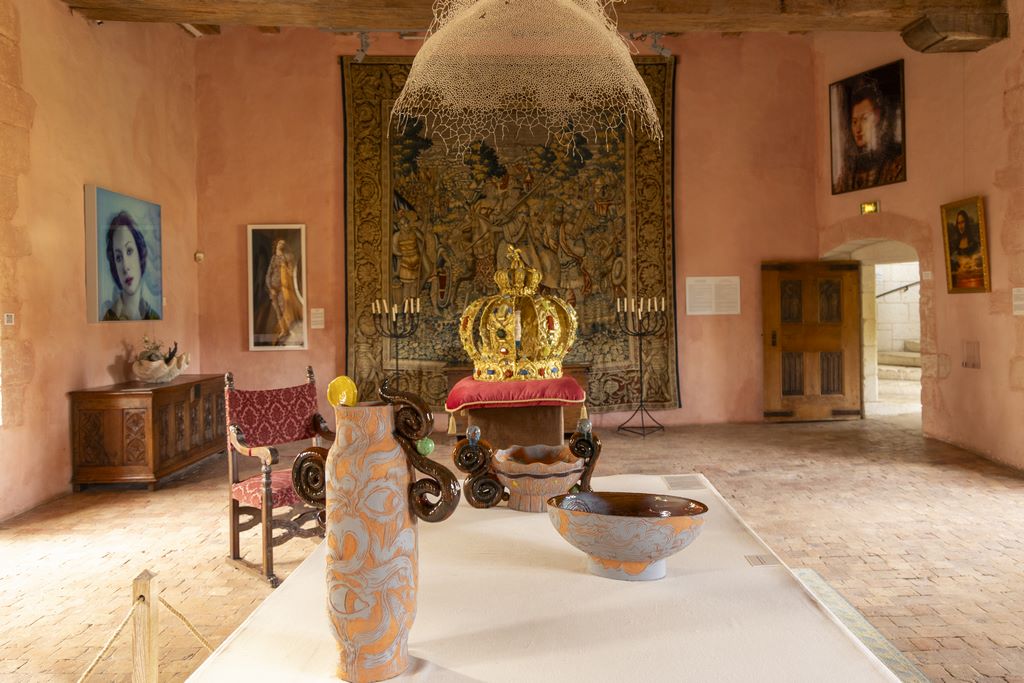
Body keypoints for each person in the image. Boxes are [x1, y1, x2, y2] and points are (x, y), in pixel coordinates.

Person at [834, 78, 905, 193]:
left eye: (865, 119)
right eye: (854, 121)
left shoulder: (895, 164)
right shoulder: (847, 172)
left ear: (879, 118)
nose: (858, 129)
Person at [102, 211, 159, 321]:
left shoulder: (153, 317)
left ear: (140, 253)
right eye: (118, 258)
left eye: (129, 251)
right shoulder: (109, 318)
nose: (125, 266)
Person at [265, 238, 304, 344]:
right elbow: (268, 275)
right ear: (276, 244)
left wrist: (286, 267)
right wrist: (270, 288)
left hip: (284, 288)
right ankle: (284, 330)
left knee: (284, 308)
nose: (281, 245)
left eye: (283, 243)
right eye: (279, 243)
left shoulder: (287, 257)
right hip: (274, 290)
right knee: (278, 310)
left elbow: (291, 272)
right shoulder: (273, 258)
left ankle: (290, 329)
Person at [947, 209, 983, 286]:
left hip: (974, 280)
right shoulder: (955, 245)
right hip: (960, 281)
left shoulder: (974, 242)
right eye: (959, 223)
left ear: (967, 222)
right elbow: (953, 263)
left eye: (962, 222)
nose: (961, 226)